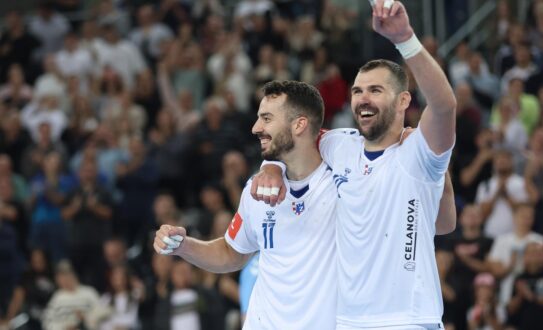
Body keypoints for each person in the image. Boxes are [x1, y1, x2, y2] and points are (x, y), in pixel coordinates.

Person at [155, 80, 457, 329]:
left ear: (300, 124)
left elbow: (387, 145)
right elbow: (231, 253)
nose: (255, 127)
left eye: (267, 118)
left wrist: (410, 141)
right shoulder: (256, 189)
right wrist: (184, 246)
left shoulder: (351, 178)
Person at [253, 1, 457, 327]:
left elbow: (444, 106)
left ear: (403, 100)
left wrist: (405, 39)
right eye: (357, 91)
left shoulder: (417, 151)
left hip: (408, 320)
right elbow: (293, 137)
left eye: (375, 90)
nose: (363, 98)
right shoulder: (338, 144)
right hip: (348, 321)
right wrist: (272, 167)